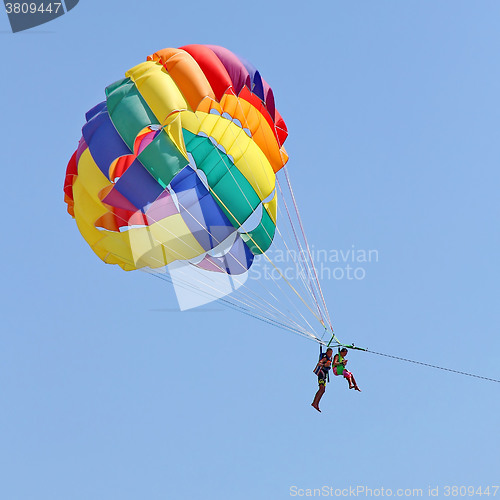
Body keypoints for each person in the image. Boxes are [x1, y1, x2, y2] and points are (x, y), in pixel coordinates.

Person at [311, 347, 333, 412]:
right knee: (321, 388)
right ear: (327, 352)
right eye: (329, 353)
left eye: (331, 354)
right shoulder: (325, 358)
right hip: (321, 373)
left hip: (324, 375)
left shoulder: (330, 358)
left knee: (323, 390)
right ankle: (315, 403)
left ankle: (316, 403)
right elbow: (319, 363)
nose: (330, 355)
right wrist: (324, 365)